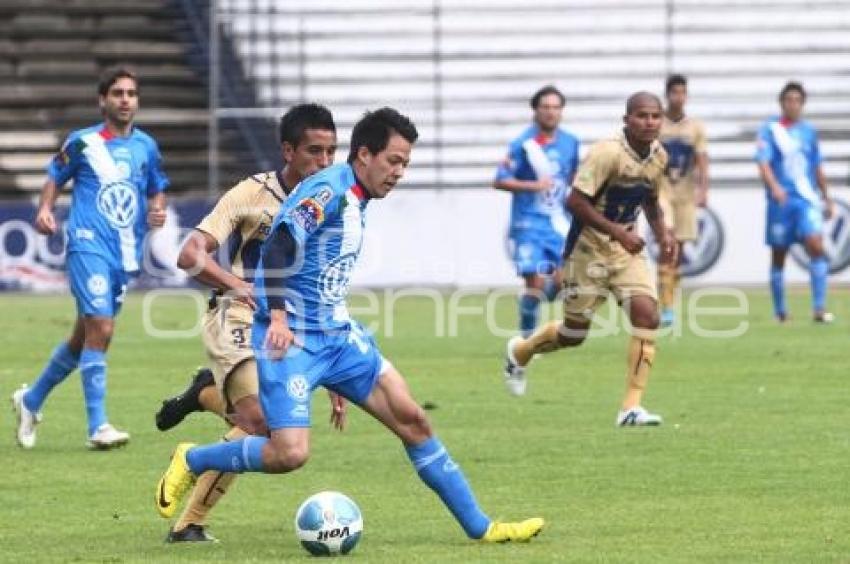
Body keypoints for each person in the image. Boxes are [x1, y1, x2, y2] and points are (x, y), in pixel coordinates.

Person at [155, 107, 544, 543]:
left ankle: (483, 528)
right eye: (394, 161)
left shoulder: (358, 194)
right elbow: (279, 247)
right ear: (364, 155)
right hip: (292, 341)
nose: (399, 172)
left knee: (414, 420)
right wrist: (279, 316)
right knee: (289, 453)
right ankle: (192, 459)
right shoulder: (327, 191)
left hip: (338, 339)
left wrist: (337, 378)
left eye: (406, 164)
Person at [157, 103, 345, 543]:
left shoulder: (331, 204)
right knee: (261, 421)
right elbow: (189, 254)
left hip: (293, 324)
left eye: (331, 152)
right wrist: (236, 284)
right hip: (237, 314)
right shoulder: (250, 194)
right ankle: (192, 502)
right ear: (287, 150)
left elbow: (327, 287)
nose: (324, 162)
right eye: (314, 151)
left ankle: (205, 398)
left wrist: (336, 371)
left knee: (272, 428)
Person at [11, 66, 169, 449]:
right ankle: (98, 426)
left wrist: (158, 210)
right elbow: (54, 176)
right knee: (102, 327)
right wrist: (45, 209)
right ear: (103, 100)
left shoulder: (145, 146)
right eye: (118, 93)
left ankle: (30, 401)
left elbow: (156, 188)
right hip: (86, 244)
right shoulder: (83, 143)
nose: (125, 100)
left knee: (85, 337)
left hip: (123, 252)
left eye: (131, 93)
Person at [503, 92, 676, 426]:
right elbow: (575, 203)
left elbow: (650, 199)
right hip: (587, 249)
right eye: (642, 116)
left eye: (655, 116)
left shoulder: (659, 156)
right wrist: (619, 232)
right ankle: (521, 351)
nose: (649, 122)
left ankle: (630, 408)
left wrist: (663, 231)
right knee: (574, 334)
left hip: (626, 252)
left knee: (647, 316)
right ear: (627, 120)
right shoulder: (607, 152)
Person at [494, 85, 580, 341]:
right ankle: (528, 339)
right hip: (528, 224)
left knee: (567, 282)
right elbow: (499, 180)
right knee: (535, 284)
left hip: (559, 222)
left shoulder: (571, 142)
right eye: (545, 107)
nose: (551, 112)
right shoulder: (523, 144)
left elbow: (573, 176)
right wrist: (533, 186)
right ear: (535, 111)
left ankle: (532, 304)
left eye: (556, 107)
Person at [756, 81, 834, 323]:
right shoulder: (770, 130)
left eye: (797, 100)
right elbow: (763, 163)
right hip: (781, 201)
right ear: (782, 103)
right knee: (779, 254)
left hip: (806, 199)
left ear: (802, 104)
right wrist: (775, 187)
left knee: (816, 246)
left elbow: (816, 165)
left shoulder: (808, 131)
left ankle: (819, 309)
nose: (793, 104)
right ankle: (781, 312)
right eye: (788, 100)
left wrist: (826, 196)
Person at [657, 74, 709, 327]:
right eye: (674, 92)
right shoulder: (657, 124)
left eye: (682, 92)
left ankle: (669, 300)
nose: (678, 97)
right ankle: (666, 306)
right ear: (668, 95)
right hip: (662, 192)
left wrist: (704, 190)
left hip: (686, 195)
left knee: (680, 251)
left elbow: (702, 160)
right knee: (667, 244)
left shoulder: (695, 127)